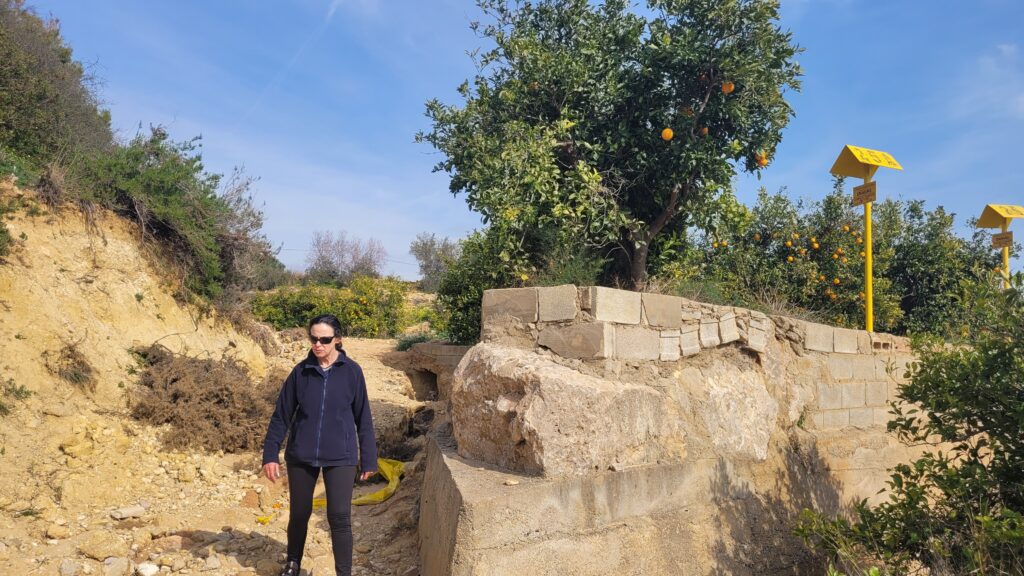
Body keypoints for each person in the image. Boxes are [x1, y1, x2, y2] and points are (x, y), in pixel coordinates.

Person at [262, 314, 378, 576]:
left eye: (324, 339)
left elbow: (364, 418)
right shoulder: (301, 372)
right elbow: (281, 416)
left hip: (341, 456)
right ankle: (292, 564)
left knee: (339, 517)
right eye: (313, 338)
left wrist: (369, 457)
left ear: (337, 340)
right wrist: (270, 454)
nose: (318, 344)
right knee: (299, 513)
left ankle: (344, 572)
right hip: (301, 454)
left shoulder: (352, 372)